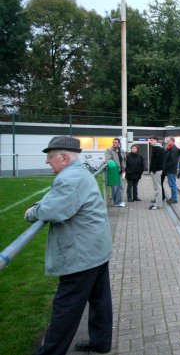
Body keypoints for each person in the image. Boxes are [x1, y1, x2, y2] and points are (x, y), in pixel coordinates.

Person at [25, 136, 113, 354]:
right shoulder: (78, 173)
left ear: (64, 158)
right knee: (100, 301)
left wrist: (32, 212)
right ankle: (100, 342)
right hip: (95, 249)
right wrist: (42, 204)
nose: (47, 162)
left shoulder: (71, 178)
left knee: (66, 308)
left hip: (82, 255)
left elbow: (52, 210)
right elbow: (55, 200)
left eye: (50, 157)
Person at [105, 138, 126, 207]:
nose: (114, 143)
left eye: (116, 142)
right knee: (114, 187)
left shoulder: (122, 151)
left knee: (120, 187)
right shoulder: (109, 150)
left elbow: (123, 160)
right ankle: (116, 202)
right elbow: (107, 160)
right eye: (113, 142)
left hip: (120, 171)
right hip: (113, 172)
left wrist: (124, 169)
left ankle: (119, 201)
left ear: (119, 144)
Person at [148, 135, 164, 210]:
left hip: (157, 171)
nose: (150, 141)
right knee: (156, 188)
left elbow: (158, 161)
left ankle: (158, 205)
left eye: (151, 140)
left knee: (157, 188)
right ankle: (157, 203)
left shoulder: (158, 149)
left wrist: (153, 170)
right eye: (150, 140)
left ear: (156, 140)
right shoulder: (157, 148)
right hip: (156, 170)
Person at [163, 136, 180, 204]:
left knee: (172, 184)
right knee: (172, 184)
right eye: (167, 141)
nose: (167, 142)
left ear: (172, 141)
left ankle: (174, 198)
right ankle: (173, 197)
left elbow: (173, 161)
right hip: (170, 170)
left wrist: (166, 167)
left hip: (171, 170)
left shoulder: (173, 149)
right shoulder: (170, 148)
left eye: (168, 141)